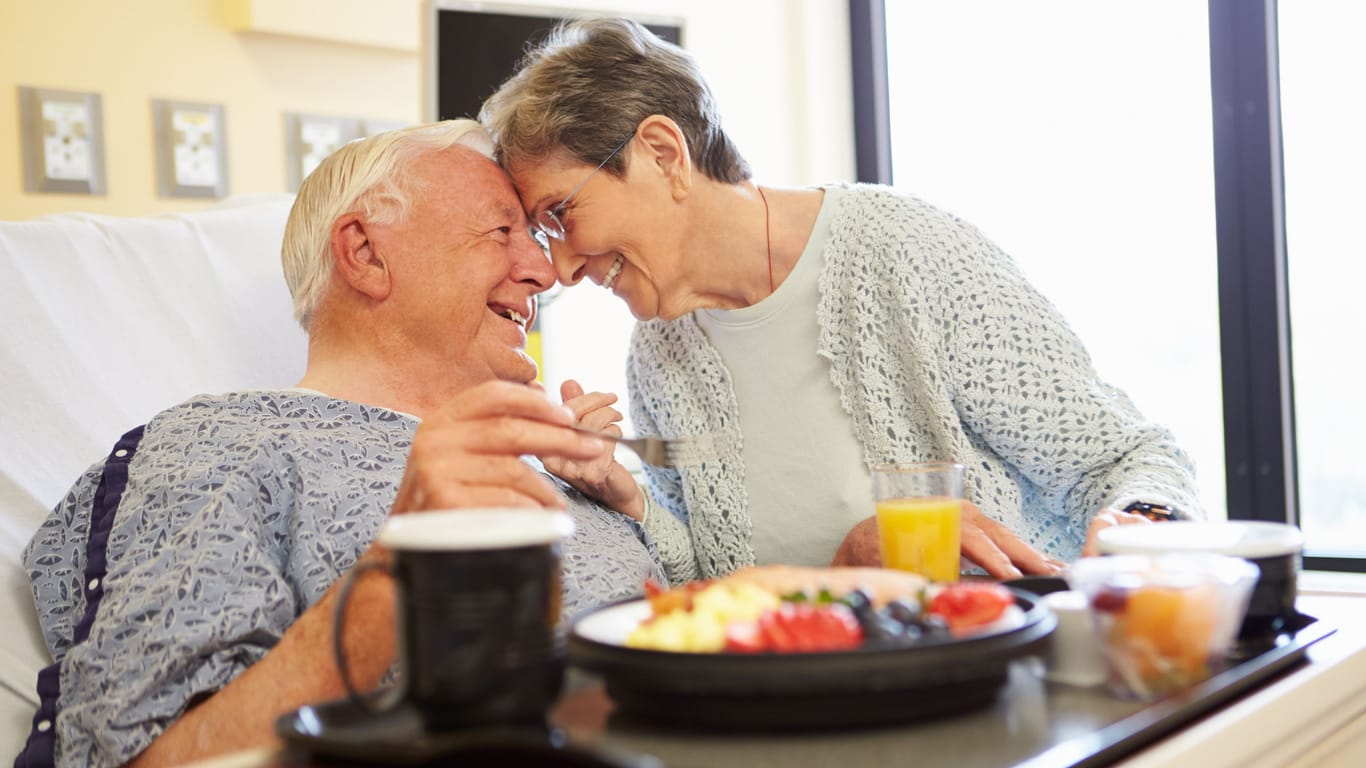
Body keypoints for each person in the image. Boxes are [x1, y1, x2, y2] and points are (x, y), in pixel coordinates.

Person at [16, 119, 664, 768]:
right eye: (502, 231)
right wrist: (405, 562)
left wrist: (625, 500)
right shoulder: (219, 446)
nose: (545, 273)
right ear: (364, 253)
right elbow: (149, 757)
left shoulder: (557, 469)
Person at [478, 18, 1204, 586]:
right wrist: (623, 490)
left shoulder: (909, 254)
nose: (562, 268)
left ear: (664, 154)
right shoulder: (660, 357)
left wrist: (1140, 523)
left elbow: (1126, 459)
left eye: (560, 216)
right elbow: (706, 573)